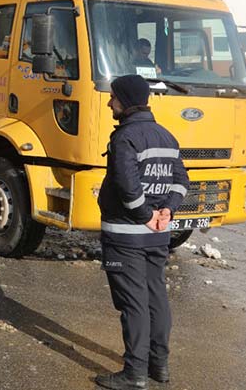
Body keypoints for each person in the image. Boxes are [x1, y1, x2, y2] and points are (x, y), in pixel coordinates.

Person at [95, 74, 190, 390]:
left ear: (126, 100)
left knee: (133, 302)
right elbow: (180, 181)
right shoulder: (166, 136)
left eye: (113, 97)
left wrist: (145, 214)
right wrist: (168, 210)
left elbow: (126, 184)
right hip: (157, 234)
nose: (110, 102)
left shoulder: (125, 138)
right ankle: (158, 366)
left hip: (126, 235)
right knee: (156, 297)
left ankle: (135, 374)